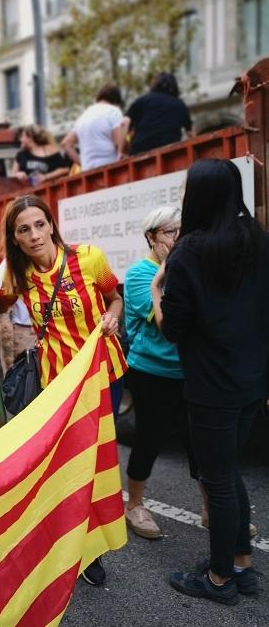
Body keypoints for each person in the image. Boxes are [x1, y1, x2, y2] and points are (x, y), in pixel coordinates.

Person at [0, 193, 127, 586]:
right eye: (24, 229)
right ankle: (81, 546)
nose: (35, 235)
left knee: (100, 460)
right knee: (73, 463)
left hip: (104, 371)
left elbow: (115, 297)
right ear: (16, 238)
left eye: (40, 224)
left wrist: (111, 315)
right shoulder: (17, 275)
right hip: (59, 382)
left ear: (52, 225)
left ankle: (94, 540)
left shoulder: (88, 258)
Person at [160, 158, 269, 604]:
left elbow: (174, 328)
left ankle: (220, 579)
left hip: (210, 387)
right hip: (251, 381)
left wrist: (155, 295)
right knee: (230, 473)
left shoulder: (188, 252)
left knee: (217, 480)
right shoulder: (257, 239)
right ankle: (241, 564)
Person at [123, 205, 202, 539]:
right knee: (150, 439)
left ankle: (213, 509)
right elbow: (166, 320)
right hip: (152, 372)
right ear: (151, 238)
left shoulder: (193, 270)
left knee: (200, 443)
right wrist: (173, 265)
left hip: (192, 371)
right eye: (171, 233)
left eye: (182, 231)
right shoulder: (141, 274)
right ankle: (135, 505)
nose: (178, 239)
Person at [62, 84, 128, 171]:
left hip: (88, 172)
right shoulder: (113, 111)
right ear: (116, 101)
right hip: (111, 168)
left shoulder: (84, 116)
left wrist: (83, 164)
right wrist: (126, 128)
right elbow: (117, 144)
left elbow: (66, 144)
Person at [124, 72, 193, 156]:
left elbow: (125, 122)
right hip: (170, 151)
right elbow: (190, 133)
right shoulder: (180, 104)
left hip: (140, 151)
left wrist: (123, 147)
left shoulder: (143, 100)